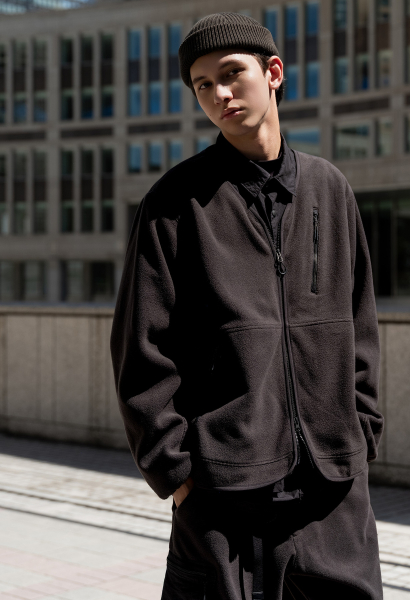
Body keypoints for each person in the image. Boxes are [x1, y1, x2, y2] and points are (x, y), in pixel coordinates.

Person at [110, 12, 384, 600]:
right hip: (223, 499)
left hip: (333, 492)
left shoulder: (330, 189)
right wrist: (176, 473)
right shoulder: (173, 204)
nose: (220, 94)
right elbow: (140, 347)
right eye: (203, 84)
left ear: (274, 73)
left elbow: (360, 322)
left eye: (232, 73)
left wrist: (361, 432)